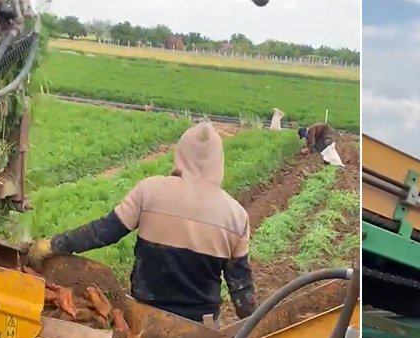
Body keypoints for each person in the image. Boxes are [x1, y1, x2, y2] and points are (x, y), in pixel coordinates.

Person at [26, 122, 257, 322]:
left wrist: (55, 244)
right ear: (219, 162)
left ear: (181, 154)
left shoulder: (150, 190)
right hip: (201, 325)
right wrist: (252, 323)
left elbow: (105, 231)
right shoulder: (236, 215)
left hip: (144, 316)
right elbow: (240, 288)